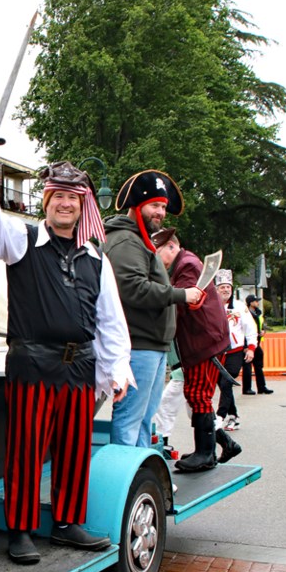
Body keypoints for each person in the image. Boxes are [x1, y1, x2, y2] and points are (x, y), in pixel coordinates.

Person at [0, 150, 131, 564]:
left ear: (82, 206)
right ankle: (20, 529)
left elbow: (110, 319)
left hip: (79, 367)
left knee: (74, 447)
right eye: (58, 196)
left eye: (73, 199)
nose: (65, 204)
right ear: (46, 201)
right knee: (25, 449)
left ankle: (66, 523)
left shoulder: (96, 258)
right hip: (32, 364)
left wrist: (117, 368)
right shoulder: (22, 239)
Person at [104, 170, 201, 447]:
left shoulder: (138, 239)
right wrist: (181, 295)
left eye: (162, 206)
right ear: (137, 206)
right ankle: (125, 482)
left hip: (151, 344)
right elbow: (133, 289)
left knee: (144, 419)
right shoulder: (126, 240)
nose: (160, 212)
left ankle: (142, 479)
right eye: (154, 206)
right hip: (138, 344)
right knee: (130, 419)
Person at [151, 229, 241, 466]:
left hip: (204, 341)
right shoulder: (184, 264)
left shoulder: (187, 265)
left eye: (156, 251)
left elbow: (184, 302)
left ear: (171, 246)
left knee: (199, 394)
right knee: (196, 394)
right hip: (202, 340)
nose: (155, 257)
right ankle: (211, 449)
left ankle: (206, 454)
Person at [214, 270, 256, 431]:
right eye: (222, 287)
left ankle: (220, 416)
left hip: (235, 352)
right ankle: (234, 416)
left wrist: (251, 348)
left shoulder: (239, 307)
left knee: (226, 382)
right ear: (217, 289)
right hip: (217, 353)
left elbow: (250, 328)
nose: (225, 290)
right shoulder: (212, 306)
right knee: (223, 385)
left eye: (228, 287)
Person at [242, 294, 273, 395]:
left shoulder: (257, 314)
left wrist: (262, 331)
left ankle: (262, 387)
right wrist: (245, 346)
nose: (257, 302)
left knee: (258, 365)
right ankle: (247, 388)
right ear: (251, 303)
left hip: (256, 342)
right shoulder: (245, 314)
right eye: (256, 301)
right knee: (247, 366)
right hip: (248, 344)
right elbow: (244, 330)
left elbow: (260, 326)